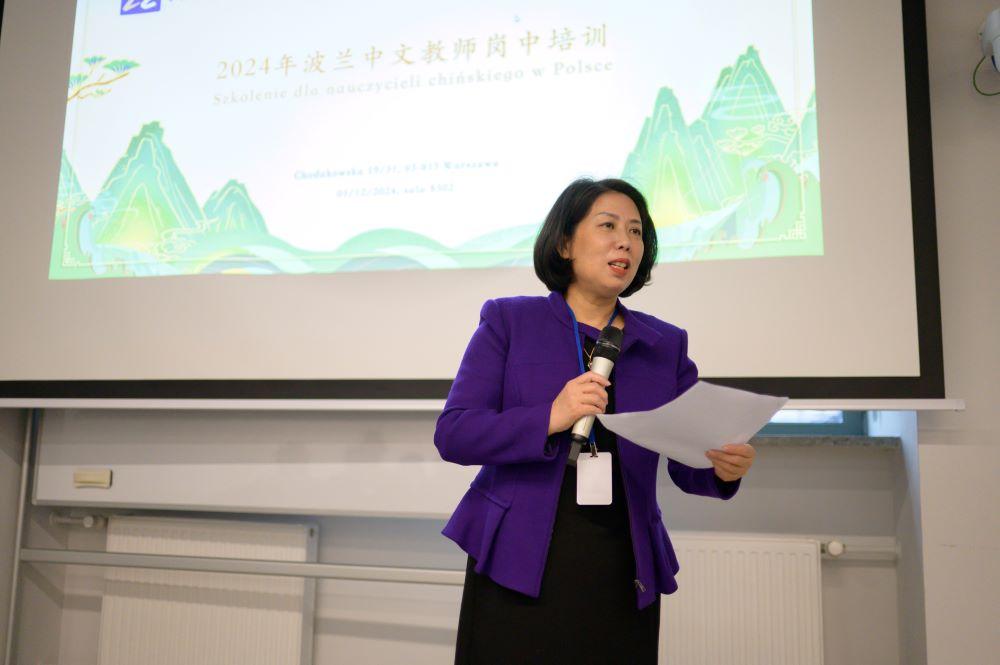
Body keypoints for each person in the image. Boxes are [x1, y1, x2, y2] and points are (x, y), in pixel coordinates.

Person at [434, 178, 756, 664]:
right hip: (518, 557)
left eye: (636, 231)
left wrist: (722, 466)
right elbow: (455, 434)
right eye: (607, 226)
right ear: (565, 243)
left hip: (621, 562)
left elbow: (689, 461)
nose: (625, 241)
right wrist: (551, 415)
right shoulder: (510, 322)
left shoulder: (664, 345)